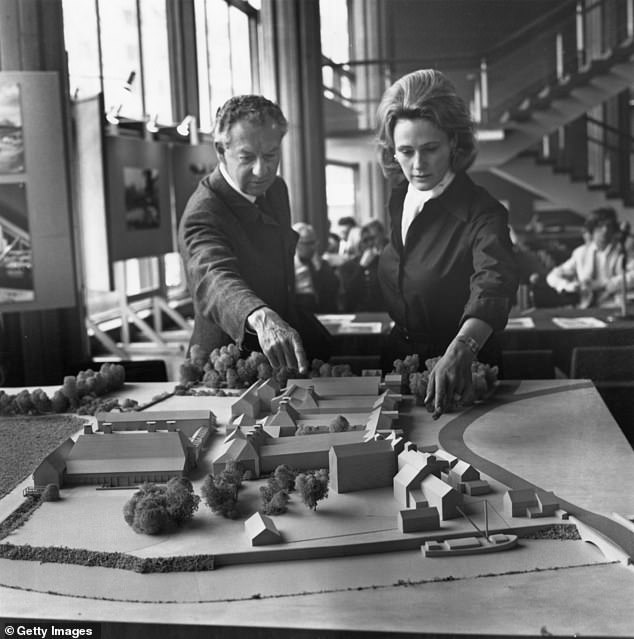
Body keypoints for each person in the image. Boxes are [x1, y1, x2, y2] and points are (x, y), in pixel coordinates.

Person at [375, 69, 519, 417]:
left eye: (430, 149)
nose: (418, 165)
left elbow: (494, 283)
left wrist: (463, 348)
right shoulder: (400, 196)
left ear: (454, 143)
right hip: (400, 364)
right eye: (405, 151)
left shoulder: (483, 212)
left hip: (464, 370)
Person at [178, 95, 312, 372]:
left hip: (280, 355)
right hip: (225, 365)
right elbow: (214, 278)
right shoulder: (203, 212)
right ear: (220, 149)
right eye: (247, 157)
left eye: (271, 155)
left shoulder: (276, 189)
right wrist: (260, 317)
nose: (261, 170)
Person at [545, 206, 634, 308]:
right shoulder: (581, 253)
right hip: (587, 307)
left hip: (616, 306)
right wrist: (570, 286)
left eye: (609, 226)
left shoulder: (622, 250)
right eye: (600, 226)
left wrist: (605, 284)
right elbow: (552, 276)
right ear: (592, 229)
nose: (605, 230)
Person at [339, 220, 388, 312]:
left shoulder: (385, 262)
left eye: (372, 239)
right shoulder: (347, 266)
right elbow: (349, 292)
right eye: (365, 240)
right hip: (357, 312)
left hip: (382, 312)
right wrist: (361, 267)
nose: (370, 244)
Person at [292, 222, 340, 314]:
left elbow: (333, 289)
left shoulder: (321, 264)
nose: (313, 247)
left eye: (314, 243)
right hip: (298, 311)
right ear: (296, 244)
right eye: (308, 243)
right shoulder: (289, 266)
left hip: (321, 311)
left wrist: (320, 269)